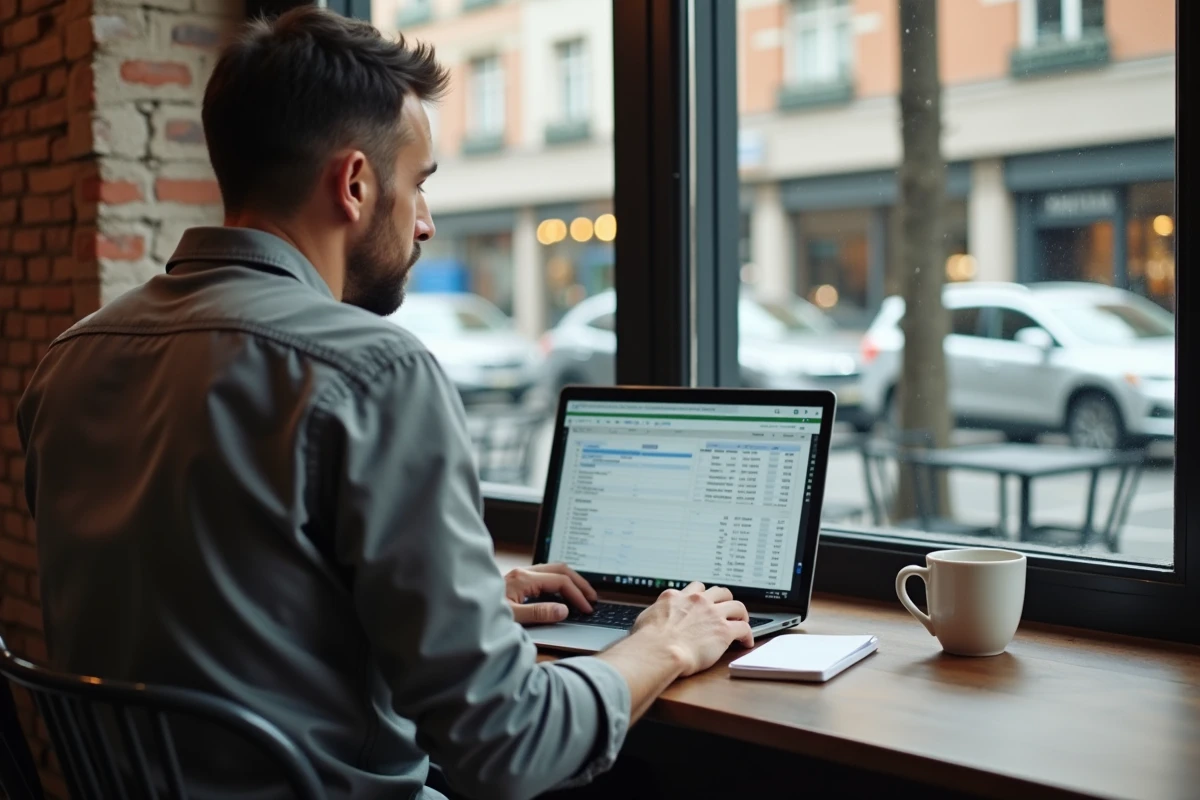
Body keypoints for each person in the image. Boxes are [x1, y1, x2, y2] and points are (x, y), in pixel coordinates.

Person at [16, 8, 752, 799]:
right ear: (357, 184)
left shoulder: (69, 359)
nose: (427, 222)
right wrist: (665, 644)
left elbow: (201, 608)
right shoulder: (371, 370)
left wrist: (454, 608)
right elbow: (511, 749)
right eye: (421, 184)